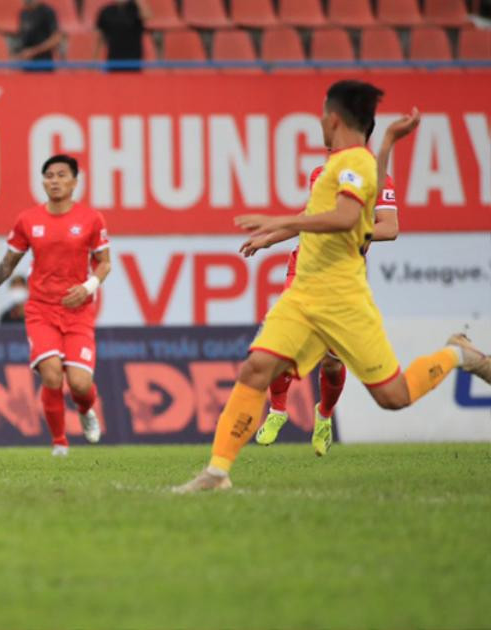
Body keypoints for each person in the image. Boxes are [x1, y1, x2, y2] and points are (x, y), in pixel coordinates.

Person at [174, 80, 491, 493]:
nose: (321, 122)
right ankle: (216, 472)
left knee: (393, 396)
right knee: (256, 369)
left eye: (323, 115)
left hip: (342, 298)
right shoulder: (345, 165)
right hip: (304, 291)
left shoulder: (353, 164)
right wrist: (390, 141)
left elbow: (344, 218)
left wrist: (280, 221)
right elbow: (342, 206)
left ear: (333, 118)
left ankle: (458, 355)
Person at [243, 109, 419, 455]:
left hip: (343, 280)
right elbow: (310, 220)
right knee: (279, 346)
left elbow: (390, 227)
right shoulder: (320, 175)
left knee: (332, 362)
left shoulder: (375, 179)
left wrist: (354, 228)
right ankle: (278, 409)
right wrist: (271, 238)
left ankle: (324, 415)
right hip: (304, 269)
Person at [0, 155, 111, 456]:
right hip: (41, 310)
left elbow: (104, 264)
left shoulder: (91, 219)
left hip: (78, 310)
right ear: (43, 181)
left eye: (61, 175)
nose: (54, 180)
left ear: (74, 181)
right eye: (49, 175)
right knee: (51, 374)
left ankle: (86, 410)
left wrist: (88, 287)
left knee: (81, 384)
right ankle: (59, 443)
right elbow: (8, 264)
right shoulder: (28, 220)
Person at [94, 0, 150, 73]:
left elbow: (148, 16)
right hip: (113, 59)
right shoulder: (106, 11)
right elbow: (100, 38)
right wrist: (95, 59)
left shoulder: (135, 9)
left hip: (134, 60)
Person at [18, 0, 61, 71]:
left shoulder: (47, 12)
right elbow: (23, 39)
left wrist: (33, 52)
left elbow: (56, 39)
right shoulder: (23, 13)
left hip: (44, 65)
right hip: (27, 66)